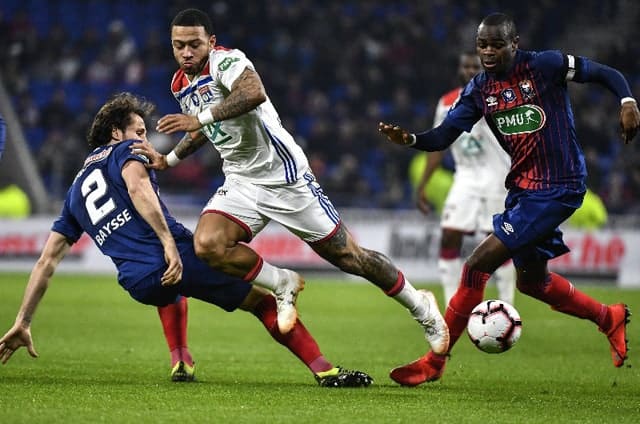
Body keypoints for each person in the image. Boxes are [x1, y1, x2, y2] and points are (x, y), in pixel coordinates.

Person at [131, 8, 449, 356]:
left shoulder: (227, 62)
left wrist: (200, 118)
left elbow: (252, 93)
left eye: (194, 44)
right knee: (207, 246)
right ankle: (281, 282)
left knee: (349, 257)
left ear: (211, 42)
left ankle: (422, 308)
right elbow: (205, 129)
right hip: (241, 180)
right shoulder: (180, 84)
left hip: (284, 178)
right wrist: (170, 159)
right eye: (179, 46)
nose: (186, 52)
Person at [0, 92, 373, 388]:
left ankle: (181, 357)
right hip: (170, 256)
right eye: (140, 132)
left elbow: (46, 261)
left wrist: (23, 320)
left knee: (173, 286)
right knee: (258, 302)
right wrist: (165, 242)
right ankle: (325, 369)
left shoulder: (75, 191)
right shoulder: (125, 152)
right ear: (116, 132)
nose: (145, 142)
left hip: (136, 283)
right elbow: (138, 187)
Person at [378, 12, 639, 386]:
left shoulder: (545, 65)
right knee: (533, 283)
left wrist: (627, 100)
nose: (487, 51)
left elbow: (602, 72)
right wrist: (413, 141)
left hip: (560, 185)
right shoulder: (479, 90)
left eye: (496, 44)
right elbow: (444, 135)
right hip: (523, 189)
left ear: (514, 44)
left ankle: (435, 361)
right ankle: (607, 317)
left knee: (477, 264)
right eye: (482, 44)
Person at [416, 52, 515, 306]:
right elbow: (439, 144)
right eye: (466, 66)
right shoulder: (447, 102)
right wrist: (423, 185)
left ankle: (507, 304)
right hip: (466, 177)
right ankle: (452, 304)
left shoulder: (501, 95)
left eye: (475, 66)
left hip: (498, 177)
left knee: (498, 241)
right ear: (460, 69)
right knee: (449, 234)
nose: (470, 70)